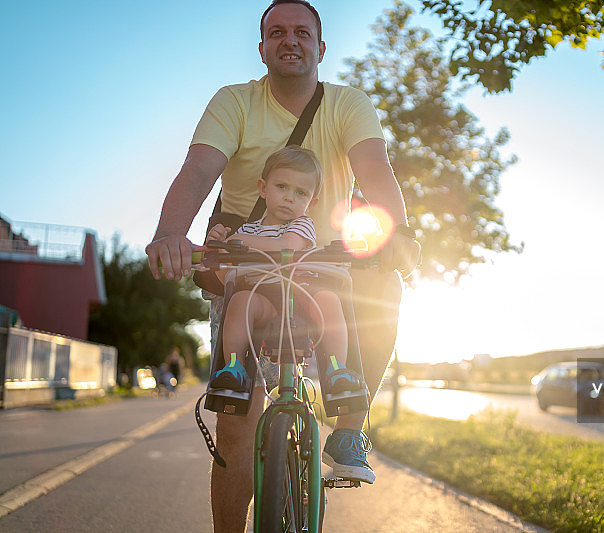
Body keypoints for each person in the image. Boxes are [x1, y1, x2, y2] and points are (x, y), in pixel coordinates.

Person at [144, 1, 419, 531]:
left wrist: (399, 231)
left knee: (385, 287)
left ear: (320, 48)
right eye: (276, 32)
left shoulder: (347, 104)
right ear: (263, 47)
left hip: (326, 267)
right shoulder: (235, 102)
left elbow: (373, 167)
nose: (288, 40)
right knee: (236, 431)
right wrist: (170, 233)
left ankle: (346, 426)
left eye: (301, 32)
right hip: (248, 262)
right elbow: (200, 168)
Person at [207, 145, 365, 399]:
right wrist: (222, 249)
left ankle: (337, 369)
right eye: (281, 187)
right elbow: (225, 277)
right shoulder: (249, 230)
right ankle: (233, 366)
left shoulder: (302, 224)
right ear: (263, 188)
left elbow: (285, 248)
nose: (289, 197)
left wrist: (238, 242)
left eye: (300, 193)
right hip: (264, 300)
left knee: (328, 299)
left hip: (301, 300)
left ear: (311, 202)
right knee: (238, 299)